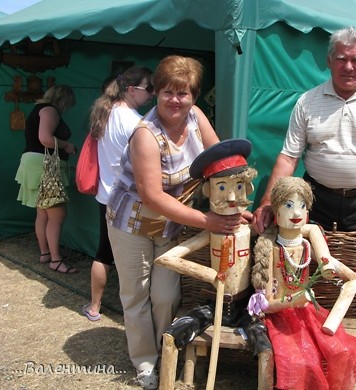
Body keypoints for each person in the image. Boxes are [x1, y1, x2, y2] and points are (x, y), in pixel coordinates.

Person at [252, 26, 356, 390]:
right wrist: (268, 202)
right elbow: (289, 157)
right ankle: (314, 348)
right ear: (329, 61)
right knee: (303, 269)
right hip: (313, 198)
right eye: (341, 58)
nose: (348, 66)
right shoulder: (307, 101)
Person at [106, 55, 242, 390]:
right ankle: (145, 363)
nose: (175, 100)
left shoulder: (195, 117)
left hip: (170, 224)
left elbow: (220, 159)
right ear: (156, 93)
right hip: (131, 224)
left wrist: (236, 204)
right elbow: (152, 195)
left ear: (194, 97)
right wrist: (206, 220)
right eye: (167, 91)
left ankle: (166, 348)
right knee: (136, 296)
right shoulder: (145, 135)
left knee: (166, 295)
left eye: (183, 93)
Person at [155, 139, 272, 389]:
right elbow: (167, 258)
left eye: (238, 186)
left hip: (245, 307)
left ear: (248, 187)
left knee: (266, 349)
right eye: (221, 187)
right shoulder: (210, 233)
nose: (231, 197)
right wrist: (208, 273)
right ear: (208, 191)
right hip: (214, 305)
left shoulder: (248, 231)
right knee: (171, 336)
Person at [250, 176, 356, 390]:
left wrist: (327, 266)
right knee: (299, 361)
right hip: (280, 318)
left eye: (302, 206)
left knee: (339, 350)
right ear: (276, 212)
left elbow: (352, 277)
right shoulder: (271, 249)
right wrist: (295, 299)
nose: (296, 213)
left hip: (308, 314)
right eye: (289, 205)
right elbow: (266, 304)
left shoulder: (307, 247)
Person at [81, 66, 154, 322]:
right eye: (149, 89)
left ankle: (94, 307)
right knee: (132, 261)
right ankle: (134, 314)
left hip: (105, 195)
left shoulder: (105, 113)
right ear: (132, 90)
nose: (153, 95)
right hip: (129, 199)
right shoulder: (136, 122)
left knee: (104, 253)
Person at [15, 85, 78, 274]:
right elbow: (45, 138)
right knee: (57, 215)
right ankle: (56, 260)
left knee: (42, 212)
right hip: (45, 165)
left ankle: (45, 254)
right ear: (63, 99)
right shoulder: (50, 110)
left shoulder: (38, 110)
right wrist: (67, 145)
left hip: (34, 163)